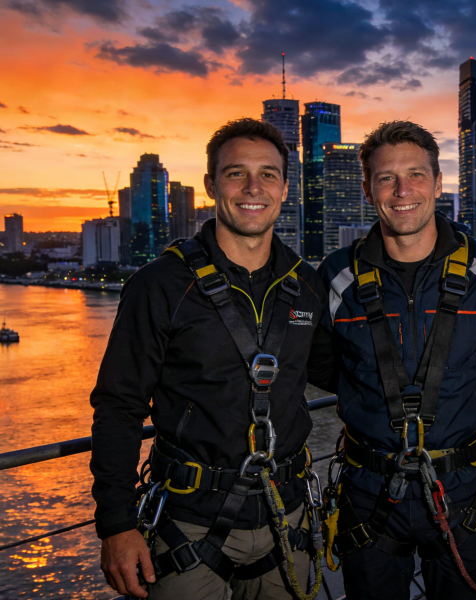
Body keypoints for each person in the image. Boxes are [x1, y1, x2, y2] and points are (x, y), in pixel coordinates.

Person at [90, 118, 327, 600]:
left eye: (268, 174)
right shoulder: (160, 285)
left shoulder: (306, 284)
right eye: (236, 173)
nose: (253, 188)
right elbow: (119, 405)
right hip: (189, 522)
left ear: (285, 189)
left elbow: (340, 372)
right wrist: (116, 524)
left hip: (287, 516)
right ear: (211, 185)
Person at [312, 121, 476, 599]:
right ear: (367, 190)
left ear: (438, 183)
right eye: (386, 178)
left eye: (416, 174)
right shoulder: (336, 274)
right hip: (368, 488)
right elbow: (322, 364)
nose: (402, 191)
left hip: (464, 487)